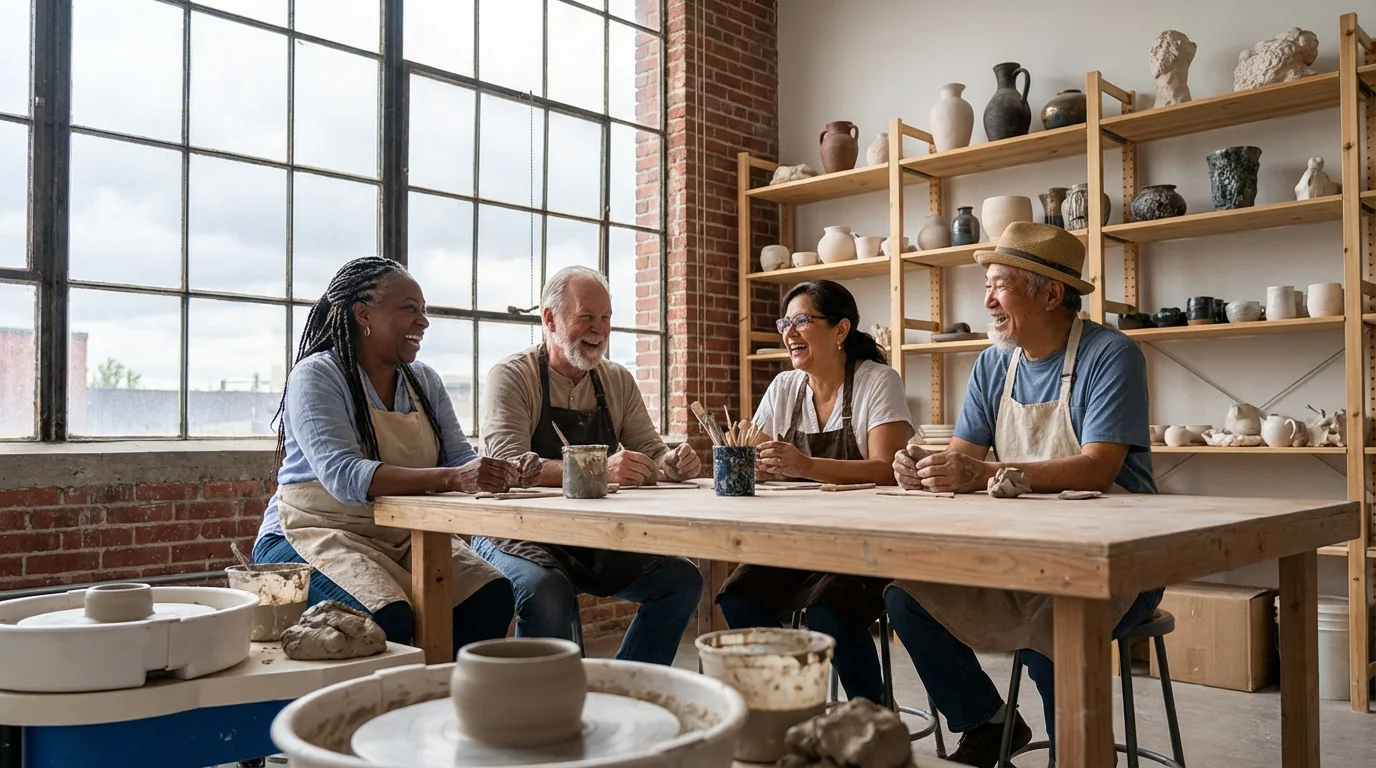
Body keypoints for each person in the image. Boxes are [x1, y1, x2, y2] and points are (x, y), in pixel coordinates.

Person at [882, 222, 1163, 767]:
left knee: (1052, 630)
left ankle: (1075, 758)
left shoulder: (1112, 355)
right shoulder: (993, 363)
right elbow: (961, 459)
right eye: (986, 286)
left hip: (1116, 561)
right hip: (1023, 554)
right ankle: (988, 723)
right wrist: (923, 468)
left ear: (1051, 293)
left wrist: (975, 469)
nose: (986, 300)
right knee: (905, 597)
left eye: (999, 285)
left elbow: (1097, 468)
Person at [252, 256, 532, 652]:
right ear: (362, 313)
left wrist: (505, 473)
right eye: (409, 309)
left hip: (403, 535)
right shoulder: (317, 375)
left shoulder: (424, 381)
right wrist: (454, 479)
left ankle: (451, 704)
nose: (423, 322)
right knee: (384, 620)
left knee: (490, 597)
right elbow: (345, 477)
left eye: (424, 311)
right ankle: (394, 708)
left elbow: (458, 461)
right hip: (312, 533)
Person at [474, 265, 703, 665]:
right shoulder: (511, 376)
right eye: (586, 317)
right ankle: (541, 715)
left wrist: (672, 463)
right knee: (547, 591)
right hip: (516, 533)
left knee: (681, 582)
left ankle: (628, 688)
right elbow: (508, 467)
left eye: (606, 318)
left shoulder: (616, 379)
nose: (598, 329)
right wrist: (598, 470)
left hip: (591, 535)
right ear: (549, 318)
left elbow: (650, 449)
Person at [715, 280, 914, 704]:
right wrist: (759, 467)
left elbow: (886, 470)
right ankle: (786, 705)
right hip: (798, 540)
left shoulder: (877, 381)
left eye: (802, 320)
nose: (789, 331)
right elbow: (759, 456)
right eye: (785, 322)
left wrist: (804, 465)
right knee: (736, 598)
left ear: (841, 330)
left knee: (827, 614)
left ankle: (873, 718)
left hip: (866, 545)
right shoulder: (785, 388)